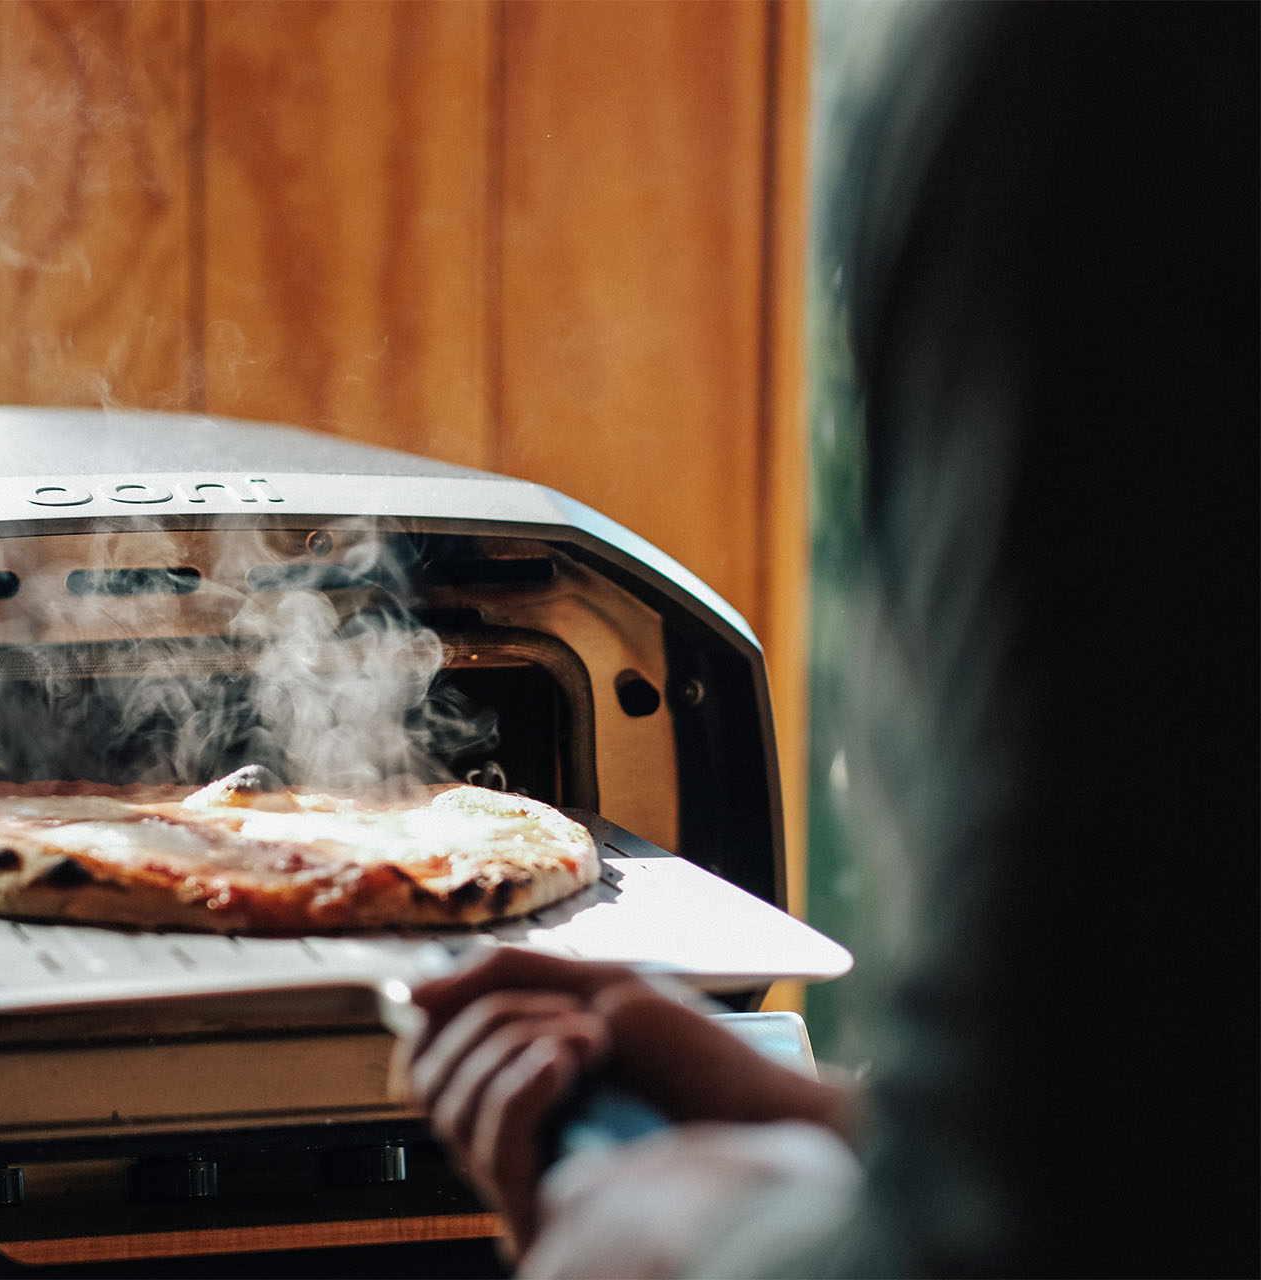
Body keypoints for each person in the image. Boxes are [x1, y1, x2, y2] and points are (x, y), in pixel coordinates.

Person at [400, 4, 1259, 1275]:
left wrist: (657, 1238)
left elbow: (1037, 1228)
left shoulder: (1092, 71)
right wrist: (836, 1121)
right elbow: (1174, 1131)